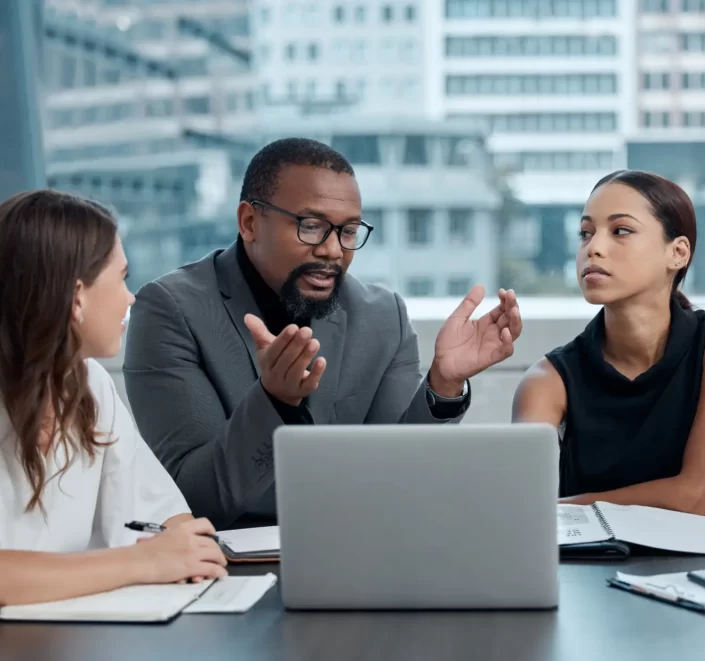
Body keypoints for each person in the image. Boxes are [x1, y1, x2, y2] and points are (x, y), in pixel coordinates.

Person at [124, 138, 522, 529]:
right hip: (226, 569)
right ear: (249, 222)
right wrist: (274, 402)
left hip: (360, 557)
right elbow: (195, 500)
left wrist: (445, 384)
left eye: (348, 232)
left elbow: (404, 476)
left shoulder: (384, 317)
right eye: (311, 226)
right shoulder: (169, 310)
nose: (333, 250)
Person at [0, 190, 227, 606]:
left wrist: (187, 553)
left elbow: (167, 520)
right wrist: (142, 564)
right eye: (122, 278)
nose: (131, 297)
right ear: (76, 297)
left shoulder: (88, 384)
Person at [512, 170, 705, 514]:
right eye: (585, 233)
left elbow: (696, 496)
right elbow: (524, 508)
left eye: (620, 230)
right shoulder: (548, 380)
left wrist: (562, 508)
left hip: (703, 565)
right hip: (588, 567)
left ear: (678, 253)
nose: (593, 248)